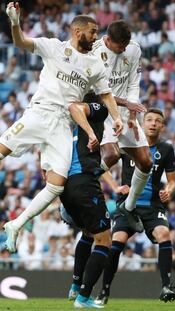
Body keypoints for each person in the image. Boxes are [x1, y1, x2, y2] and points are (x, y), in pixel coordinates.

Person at [2, 3, 123, 253]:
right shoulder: (54, 47)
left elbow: (106, 94)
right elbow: (22, 43)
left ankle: (16, 224)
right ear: (77, 31)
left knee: (57, 184)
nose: (96, 36)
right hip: (40, 113)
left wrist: (117, 117)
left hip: (63, 126)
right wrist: (15, 22)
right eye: (93, 31)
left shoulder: (96, 64)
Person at [94, 108, 175, 305]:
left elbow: (173, 181)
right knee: (117, 241)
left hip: (153, 206)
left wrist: (169, 190)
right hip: (127, 206)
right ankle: (104, 291)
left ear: (162, 127)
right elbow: (101, 164)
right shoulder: (128, 143)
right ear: (142, 122)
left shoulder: (166, 149)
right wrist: (114, 186)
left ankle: (166, 286)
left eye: (157, 121)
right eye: (149, 119)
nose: (153, 123)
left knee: (164, 234)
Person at [91, 20, 153, 230]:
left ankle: (128, 207)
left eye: (126, 44)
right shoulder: (93, 52)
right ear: (108, 40)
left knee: (145, 162)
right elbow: (98, 94)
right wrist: (127, 103)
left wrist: (132, 113)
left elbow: (134, 82)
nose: (124, 49)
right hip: (103, 113)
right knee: (111, 155)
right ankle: (82, 186)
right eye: (120, 46)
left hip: (125, 113)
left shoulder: (134, 49)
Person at [60, 101, 116, 308]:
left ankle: (75, 285)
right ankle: (84, 297)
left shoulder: (63, 123)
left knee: (88, 233)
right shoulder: (97, 110)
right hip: (85, 183)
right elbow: (113, 154)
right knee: (104, 241)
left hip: (65, 184)